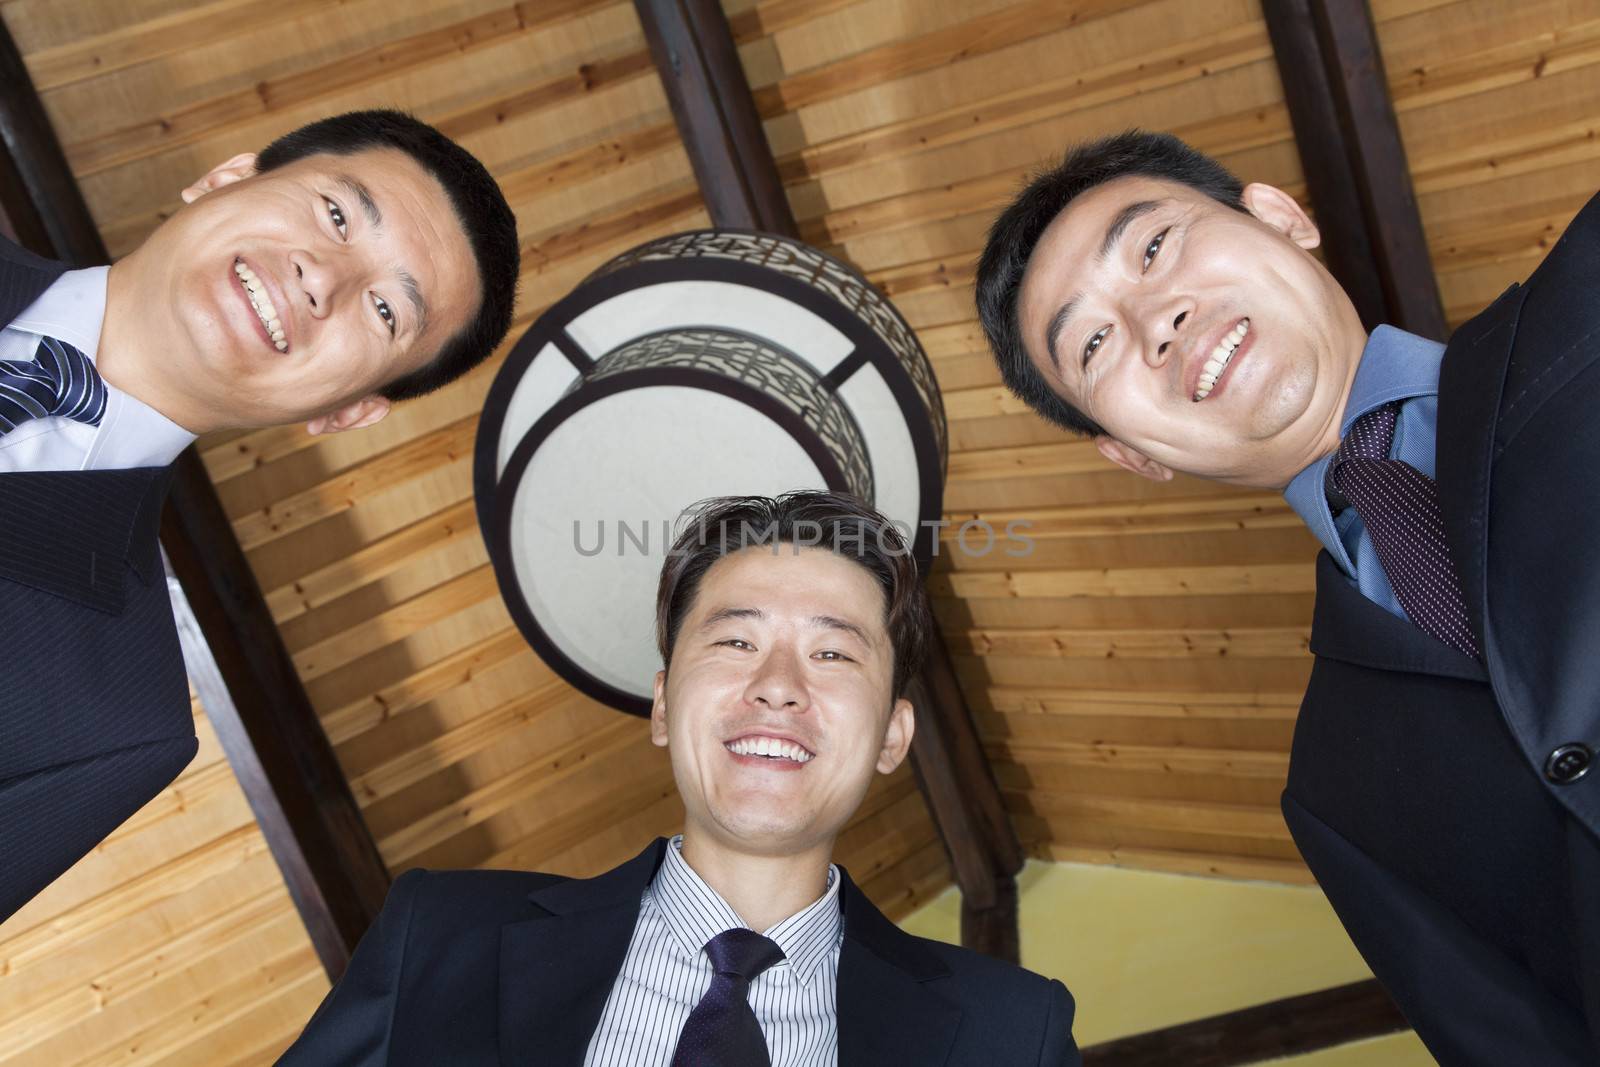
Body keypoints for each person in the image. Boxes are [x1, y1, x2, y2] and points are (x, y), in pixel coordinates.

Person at [974, 129, 1600, 1064]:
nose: (1158, 322)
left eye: (1153, 248)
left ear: (1281, 217)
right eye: (1097, 342)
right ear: (1133, 454)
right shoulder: (1331, 796)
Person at [278, 491, 1081, 1066]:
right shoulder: (442, 936)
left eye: (833, 652)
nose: (778, 683)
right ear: (664, 704)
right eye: (734, 641)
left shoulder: (1010, 1031)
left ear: (892, 736)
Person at [0, 108, 519, 922]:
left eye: (387, 311)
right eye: (337, 213)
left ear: (349, 411)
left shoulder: (118, 724)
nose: (324, 278)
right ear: (226, 179)